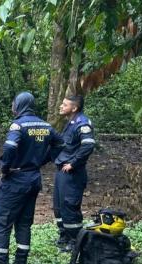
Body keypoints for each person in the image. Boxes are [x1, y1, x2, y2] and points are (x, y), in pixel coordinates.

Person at [0, 92, 63, 264]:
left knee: (1, 220)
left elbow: (10, 147)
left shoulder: (18, 125)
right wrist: (43, 160)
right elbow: (61, 144)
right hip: (34, 178)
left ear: (19, 105)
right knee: (24, 222)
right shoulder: (45, 125)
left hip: (16, 178)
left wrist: (5, 166)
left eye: (13, 103)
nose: (12, 106)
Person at [53, 95, 95, 252]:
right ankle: (64, 235)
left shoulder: (83, 123)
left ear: (74, 108)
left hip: (73, 173)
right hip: (62, 171)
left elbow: (88, 146)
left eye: (65, 104)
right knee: (58, 206)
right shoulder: (70, 123)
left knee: (69, 206)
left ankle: (75, 240)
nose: (61, 106)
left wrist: (73, 163)